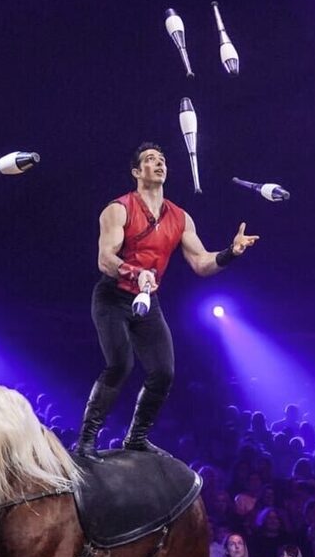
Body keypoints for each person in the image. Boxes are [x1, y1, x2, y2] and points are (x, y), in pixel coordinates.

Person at [73, 143, 259, 457]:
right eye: (150, 160)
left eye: (162, 160)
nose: (159, 164)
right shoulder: (118, 209)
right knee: (120, 364)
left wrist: (231, 252)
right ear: (136, 172)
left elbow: (201, 263)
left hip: (148, 300)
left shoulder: (180, 218)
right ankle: (87, 440)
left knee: (164, 372)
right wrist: (135, 273)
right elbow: (105, 259)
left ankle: (136, 438)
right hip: (113, 297)